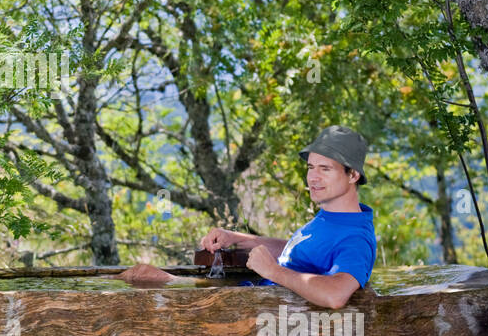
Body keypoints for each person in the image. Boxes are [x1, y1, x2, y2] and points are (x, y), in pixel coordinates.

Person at [118, 125, 377, 309]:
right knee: (140, 274)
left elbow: (336, 295)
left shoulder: (355, 238)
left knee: (143, 276)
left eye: (325, 169)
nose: (312, 178)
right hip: (244, 300)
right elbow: (301, 253)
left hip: (251, 321)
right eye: (310, 167)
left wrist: (273, 271)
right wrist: (237, 239)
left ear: (353, 175)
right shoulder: (331, 217)